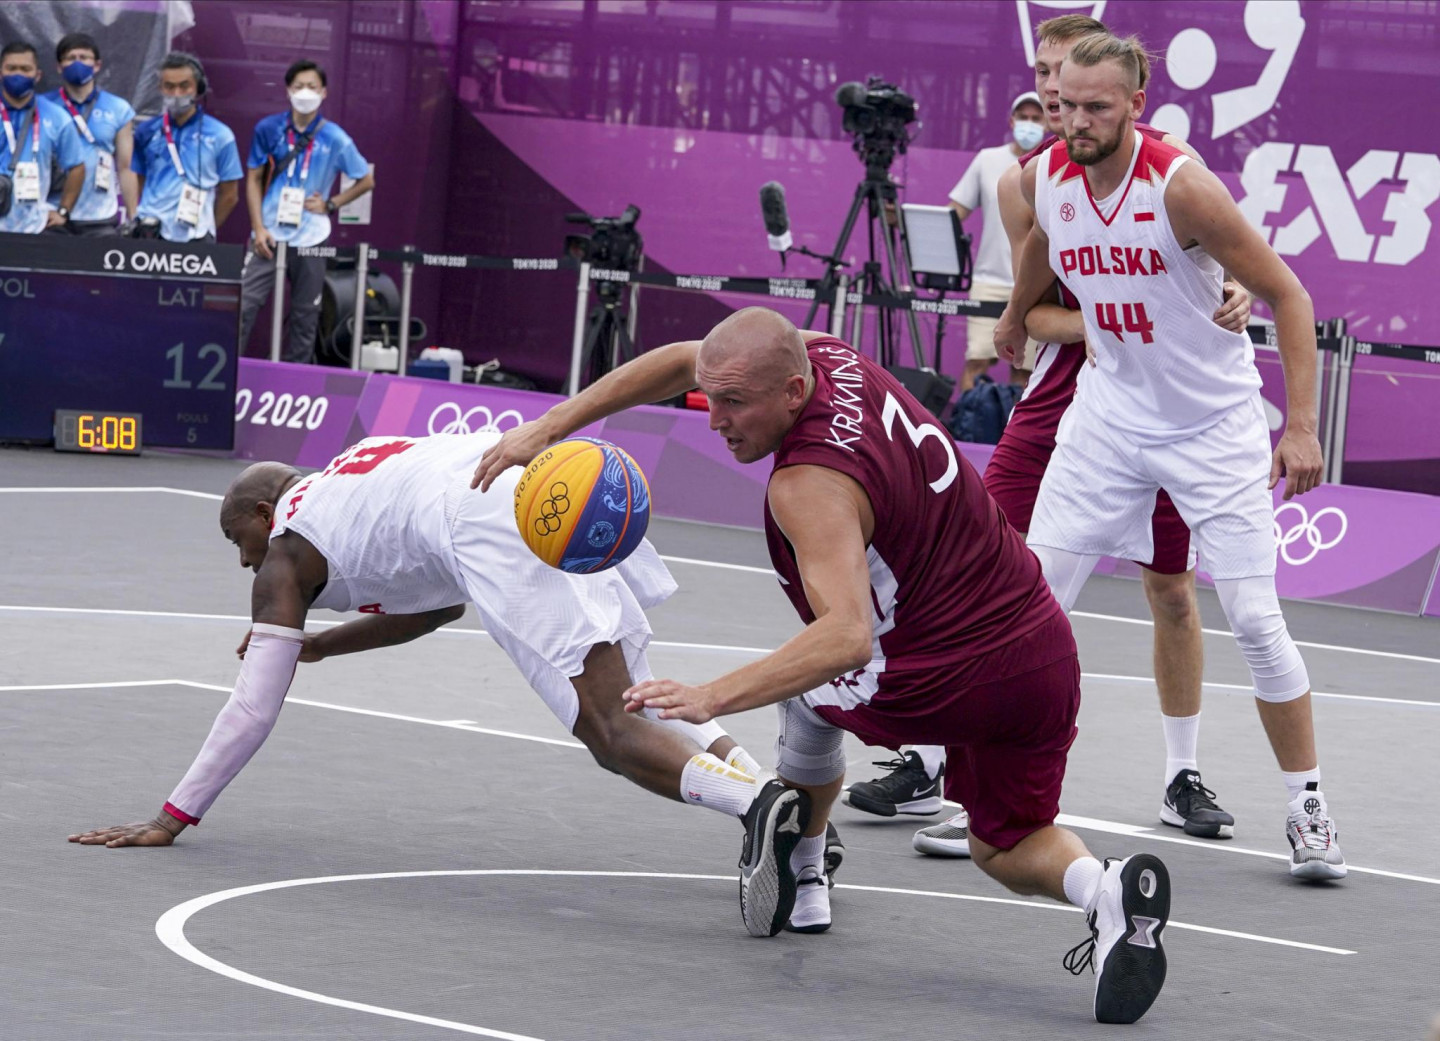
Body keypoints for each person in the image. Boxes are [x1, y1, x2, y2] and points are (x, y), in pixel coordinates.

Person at [474, 308, 1173, 1025]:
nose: (715, 419)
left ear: (792, 391)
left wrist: (712, 696)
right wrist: (552, 424)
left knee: (806, 696)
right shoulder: (829, 355)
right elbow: (688, 357)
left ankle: (806, 871)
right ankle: (1105, 890)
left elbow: (846, 638)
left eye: (735, 403)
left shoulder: (807, 484)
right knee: (1005, 844)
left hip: (944, 670)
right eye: (711, 398)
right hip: (1043, 652)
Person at [69, 432, 810, 891]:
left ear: (267, 514)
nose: (243, 562)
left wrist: (173, 815)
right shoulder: (358, 471)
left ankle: (758, 807)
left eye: (239, 540)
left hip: (493, 521)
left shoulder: (287, 552)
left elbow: (253, 707)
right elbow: (437, 608)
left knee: (609, 731)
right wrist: (320, 644)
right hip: (534, 481)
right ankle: (776, 802)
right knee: (640, 695)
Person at [864, 13, 1255, 862]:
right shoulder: (1027, 183)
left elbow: (1223, 276)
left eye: (1065, 74)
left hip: (1159, 401)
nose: (1050, 89)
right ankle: (935, 761)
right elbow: (1033, 312)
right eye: (1041, 73)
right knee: (984, 571)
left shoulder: (1168, 170)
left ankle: (1182, 774)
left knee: (1172, 589)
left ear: (1109, 88)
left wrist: (1229, 296)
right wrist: (1108, 321)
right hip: (1061, 396)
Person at [993, 30, 1344, 882]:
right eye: (1065, 106)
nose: (1076, 121)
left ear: (1135, 107)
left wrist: (1300, 426)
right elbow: (1042, 245)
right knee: (1031, 600)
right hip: (1108, 418)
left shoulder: (1179, 186)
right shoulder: (1047, 175)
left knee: (1253, 618)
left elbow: (1289, 294)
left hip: (1211, 427)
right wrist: (1013, 314)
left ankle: (1307, 806)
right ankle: (988, 792)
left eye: (1096, 107)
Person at [238, 59, 375, 363]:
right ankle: (229, 370)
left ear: (324, 92)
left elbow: (366, 180)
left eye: (312, 87)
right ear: (287, 90)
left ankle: (295, 377)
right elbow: (254, 179)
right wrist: (258, 227)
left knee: (306, 314)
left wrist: (331, 204)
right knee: (244, 304)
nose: (305, 92)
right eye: (298, 86)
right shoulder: (268, 129)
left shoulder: (336, 137)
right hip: (268, 233)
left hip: (312, 236)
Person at [949, 90, 1046, 391]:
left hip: (1037, 284)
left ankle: (1016, 424)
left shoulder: (1054, 162)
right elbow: (955, 213)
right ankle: (969, 419)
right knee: (977, 362)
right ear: (1011, 120)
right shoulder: (987, 160)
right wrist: (905, 223)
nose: (1029, 123)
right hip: (988, 281)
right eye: (1023, 117)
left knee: (1025, 373)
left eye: (1036, 118)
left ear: (1047, 122)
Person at [129, 52, 241, 242]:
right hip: (151, 231)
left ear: (199, 88)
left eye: (184, 86)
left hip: (197, 235)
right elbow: (139, 180)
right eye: (169, 86)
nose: (177, 93)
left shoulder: (221, 134)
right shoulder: (146, 131)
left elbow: (230, 195)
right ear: (160, 88)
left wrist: (208, 227)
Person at [41, 32, 137, 235]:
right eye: (70, 58)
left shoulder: (119, 108)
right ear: (59, 66)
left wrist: (133, 216)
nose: (77, 63)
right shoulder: (43, 107)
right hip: (51, 212)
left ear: (97, 65)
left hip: (99, 216)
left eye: (84, 57)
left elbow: (125, 167)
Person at [0, 40, 83, 234]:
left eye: (25, 69)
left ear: (37, 75)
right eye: (11, 68)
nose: (18, 74)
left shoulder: (56, 116)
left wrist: (64, 210)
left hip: (35, 226)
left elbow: (77, 167)